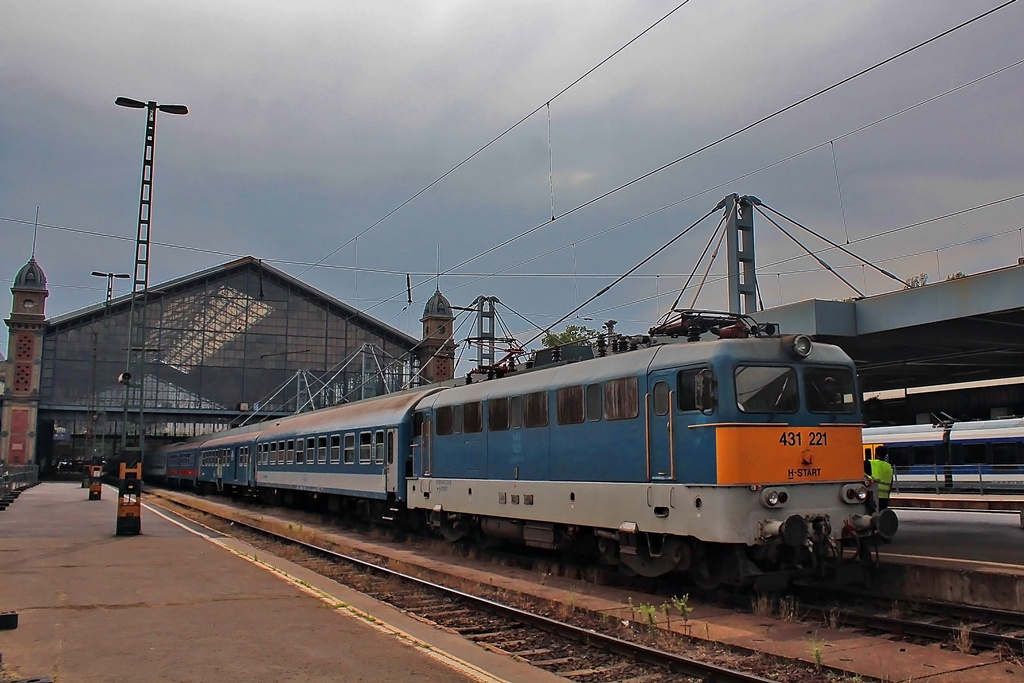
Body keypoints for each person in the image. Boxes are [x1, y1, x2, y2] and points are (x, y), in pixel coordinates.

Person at [866, 446, 894, 511]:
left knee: (873, 515)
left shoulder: (870, 463)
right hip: (885, 497)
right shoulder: (889, 466)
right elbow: (891, 482)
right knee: (882, 516)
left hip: (874, 496)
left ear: (875, 453)